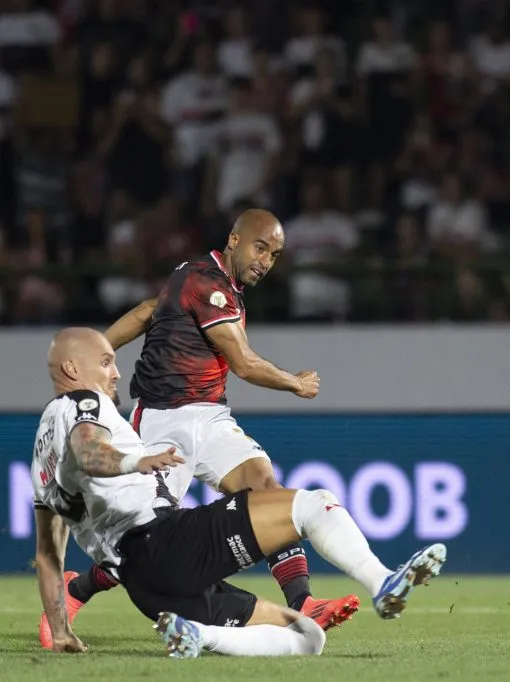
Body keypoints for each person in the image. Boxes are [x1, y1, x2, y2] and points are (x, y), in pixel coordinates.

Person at [33, 328, 446, 657]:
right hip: (166, 543)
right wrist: (133, 462)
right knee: (313, 504)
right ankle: (382, 583)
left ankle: (198, 634)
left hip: (144, 587)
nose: (116, 373)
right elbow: (91, 452)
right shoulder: (83, 401)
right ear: (72, 368)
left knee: (307, 638)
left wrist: (61, 630)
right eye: (106, 362)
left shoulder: (41, 463)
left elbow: (48, 555)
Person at [39, 209, 333, 648]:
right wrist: (295, 382)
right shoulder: (199, 278)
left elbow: (144, 312)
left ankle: (303, 602)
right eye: (260, 247)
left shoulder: (214, 285)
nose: (267, 260)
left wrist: (95, 352)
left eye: (274, 254)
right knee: (145, 538)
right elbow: (244, 363)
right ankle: (77, 588)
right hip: (161, 418)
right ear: (234, 240)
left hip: (209, 415)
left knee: (263, 484)